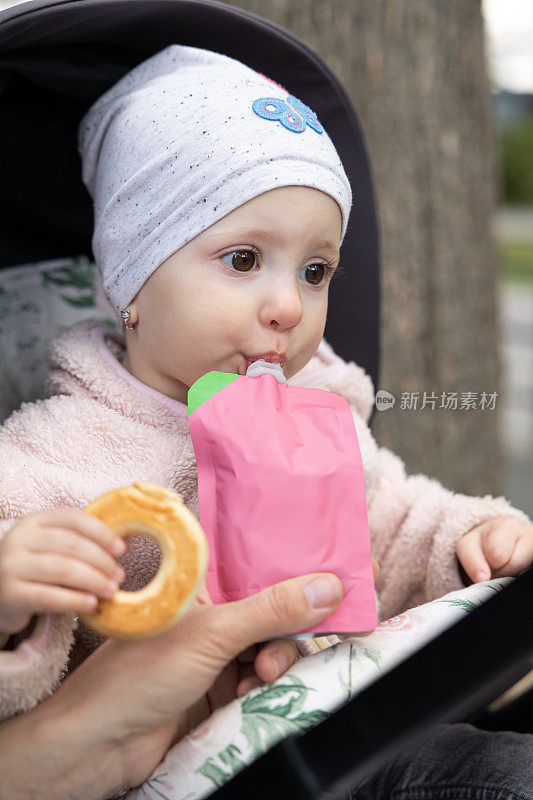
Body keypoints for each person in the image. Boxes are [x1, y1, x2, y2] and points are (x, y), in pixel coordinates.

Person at [0, 43, 532, 799]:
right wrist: (13, 602)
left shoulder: (314, 415)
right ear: (132, 280)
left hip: (341, 739)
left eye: (315, 272)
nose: (289, 305)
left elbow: (394, 517)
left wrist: (469, 541)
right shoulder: (53, 454)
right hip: (152, 776)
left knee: (502, 771)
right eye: (244, 259)